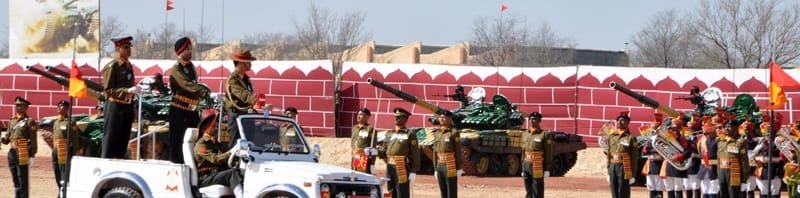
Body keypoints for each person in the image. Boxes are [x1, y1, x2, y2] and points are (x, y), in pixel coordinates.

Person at [168, 37, 209, 164]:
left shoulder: (191, 67)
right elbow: (186, 84)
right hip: (179, 111)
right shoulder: (176, 68)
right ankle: (177, 166)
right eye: (187, 49)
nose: (190, 51)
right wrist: (203, 91)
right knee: (178, 141)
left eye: (190, 49)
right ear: (180, 52)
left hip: (192, 110)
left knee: (196, 137)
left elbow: (194, 83)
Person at [101, 36, 137, 159]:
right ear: (118, 48)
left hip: (126, 107)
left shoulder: (128, 66)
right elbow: (108, 90)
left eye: (129, 47)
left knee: (122, 142)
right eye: (126, 47)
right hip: (115, 107)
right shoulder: (113, 66)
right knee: (111, 141)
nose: (129, 50)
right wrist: (127, 91)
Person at [194, 114, 244, 198]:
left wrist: (237, 153)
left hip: (216, 175)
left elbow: (225, 153)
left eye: (216, 126)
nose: (216, 128)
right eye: (213, 126)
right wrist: (231, 152)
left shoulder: (215, 142)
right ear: (206, 128)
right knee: (232, 173)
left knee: (241, 171)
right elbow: (215, 159)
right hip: (206, 178)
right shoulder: (201, 144)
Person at [378, 107, 420, 198]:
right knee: (390, 190)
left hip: (402, 166)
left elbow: (415, 153)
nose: (396, 118)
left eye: (399, 117)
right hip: (389, 167)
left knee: (402, 191)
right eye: (395, 117)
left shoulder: (409, 134)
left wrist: (413, 171)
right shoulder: (390, 133)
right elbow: (383, 150)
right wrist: (375, 151)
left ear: (405, 119)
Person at [1, 97, 38, 198]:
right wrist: (3, 139)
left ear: (26, 107)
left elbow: (33, 141)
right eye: (16, 105)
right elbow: (7, 137)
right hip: (12, 153)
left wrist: (32, 155)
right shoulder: (12, 120)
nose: (18, 107)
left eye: (20, 105)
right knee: (15, 179)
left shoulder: (29, 121)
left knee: (23, 179)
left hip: (23, 152)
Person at [225, 49, 257, 147]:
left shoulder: (246, 79)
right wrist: (256, 101)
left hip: (247, 116)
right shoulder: (233, 80)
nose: (250, 64)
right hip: (236, 117)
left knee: (249, 145)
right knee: (236, 145)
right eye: (247, 62)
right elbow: (243, 94)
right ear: (239, 63)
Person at [605, 111, 639, 198]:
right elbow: (608, 154)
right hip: (613, 165)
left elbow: (634, 157)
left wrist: (633, 174)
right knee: (614, 191)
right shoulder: (611, 136)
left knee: (623, 191)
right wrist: (608, 171)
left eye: (622, 120)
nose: (619, 122)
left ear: (628, 123)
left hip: (624, 166)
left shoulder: (631, 138)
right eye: (618, 121)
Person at [51, 100, 82, 191]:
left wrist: (75, 150)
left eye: (63, 107)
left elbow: (75, 138)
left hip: (64, 150)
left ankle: (65, 192)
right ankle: (60, 190)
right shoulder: (56, 122)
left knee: (64, 172)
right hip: (55, 150)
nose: (60, 108)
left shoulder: (70, 122)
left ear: (67, 109)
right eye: (59, 106)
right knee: (56, 171)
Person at [521, 112, 553, 198]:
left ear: (539, 121)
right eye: (531, 119)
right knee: (528, 189)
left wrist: (547, 169)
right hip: (526, 163)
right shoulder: (525, 134)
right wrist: (523, 167)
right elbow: (523, 151)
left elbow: (548, 152)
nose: (532, 121)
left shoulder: (544, 135)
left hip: (537, 164)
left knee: (537, 188)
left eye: (535, 119)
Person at [432, 110, 462, 198]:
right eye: (440, 117)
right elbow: (435, 151)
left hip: (450, 164)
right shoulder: (437, 133)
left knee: (451, 190)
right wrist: (435, 168)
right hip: (440, 164)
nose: (441, 118)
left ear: (449, 119)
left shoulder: (453, 133)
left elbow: (458, 151)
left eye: (444, 117)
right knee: (443, 189)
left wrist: (459, 167)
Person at [753, 113, 784, 198]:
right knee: (763, 192)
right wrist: (760, 158)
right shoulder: (761, 142)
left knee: (775, 192)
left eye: (770, 132)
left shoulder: (779, 142)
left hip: (775, 170)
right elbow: (753, 154)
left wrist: (771, 159)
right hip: (762, 171)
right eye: (766, 133)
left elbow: (784, 157)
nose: (768, 135)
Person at [717, 119, 749, 198]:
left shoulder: (740, 142)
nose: (726, 129)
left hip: (734, 174)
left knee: (733, 194)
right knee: (723, 195)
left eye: (729, 127)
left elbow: (744, 161)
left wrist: (744, 179)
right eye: (725, 127)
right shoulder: (721, 142)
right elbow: (718, 160)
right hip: (722, 173)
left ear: (735, 128)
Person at [663, 116, 691, 198]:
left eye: (676, 128)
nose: (674, 130)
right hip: (669, 165)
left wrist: (678, 157)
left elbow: (688, 152)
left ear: (679, 129)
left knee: (678, 188)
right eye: (673, 128)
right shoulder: (667, 137)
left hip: (678, 166)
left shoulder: (683, 138)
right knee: (669, 188)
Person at [642, 113, 665, 198]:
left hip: (659, 163)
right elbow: (645, 151)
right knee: (651, 185)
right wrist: (645, 147)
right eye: (653, 129)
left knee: (659, 186)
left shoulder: (663, 139)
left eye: (654, 129)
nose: (653, 131)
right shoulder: (650, 138)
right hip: (650, 164)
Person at [697, 116, 719, 198]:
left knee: (708, 189)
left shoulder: (701, 140)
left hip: (706, 167)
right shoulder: (716, 140)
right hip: (711, 167)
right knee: (710, 189)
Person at [351, 108, 377, 174]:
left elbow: (373, 147)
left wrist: (372, 164)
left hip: (363, 157)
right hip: (355, 156)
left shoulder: (370, 129)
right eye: (358, 114)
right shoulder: (354, 128)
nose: (358, 116)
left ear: (367, 117)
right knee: (353, 174)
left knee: (361, 176)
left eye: (361, 115)